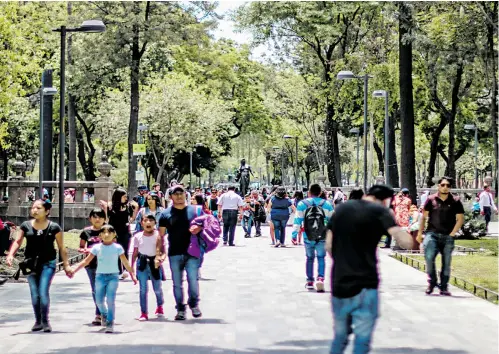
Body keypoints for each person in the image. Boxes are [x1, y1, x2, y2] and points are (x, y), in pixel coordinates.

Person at [325, 185, 413, 354]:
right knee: (362, 340)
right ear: (386, 200)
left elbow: (329, 245)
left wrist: (344, 261)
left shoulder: (342, 209)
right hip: (366, 283)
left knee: (340, 337)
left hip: (339, 281)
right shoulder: (380, 212)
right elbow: (405, 242)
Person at [6, 200, 72, 332]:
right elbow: (18, 241)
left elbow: (61, 247)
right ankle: (38, 321)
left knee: (43, 291)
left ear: (47, 211)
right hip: (30, 264)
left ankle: (45, 321)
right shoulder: (25, 226)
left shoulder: (54, 227)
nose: (35, 210)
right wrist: (10, 254)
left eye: (38, 208)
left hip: (48, 263)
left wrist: (66, 265)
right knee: (35, 294)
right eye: (33, 208)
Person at [72, 225, 137, 333]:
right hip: (100, 276)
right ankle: (104, 314)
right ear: (100, 235)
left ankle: (110, 322)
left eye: (109, 232)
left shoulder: (118, 248)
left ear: (114, 235)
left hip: (113, 276)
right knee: (99, 300)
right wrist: (74, 271)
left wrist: (132, 274)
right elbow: (86, 261)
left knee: (110, 300)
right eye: (104, 232)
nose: (107, 235)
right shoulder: (96, 248)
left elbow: (125, 262)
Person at [158, 185, 204, 320]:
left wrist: (199, 228)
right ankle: (180, 308)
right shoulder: (165, 214)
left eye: (181, 193)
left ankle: (194, 304)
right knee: (177, 283)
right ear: (171, 196)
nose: (178, 196)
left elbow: (208, 224)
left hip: (192, 252)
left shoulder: (195, 210)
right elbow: (160, 235)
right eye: (175, 194)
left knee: (193, 281)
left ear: (186, 195)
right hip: (175, 252)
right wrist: (160, 252)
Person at [417, 177, 464, 296]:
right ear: (438, 186)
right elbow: (423, 217)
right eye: (443, 185)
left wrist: (452, 234)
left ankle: (444, 287)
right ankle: (432, 282)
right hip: (432, 234)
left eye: (448, 185)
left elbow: (460, 219)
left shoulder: (456, 201)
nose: (445, 187)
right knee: (429, 258)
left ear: (450, 187)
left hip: (448, 236)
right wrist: (419, 233)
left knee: (446, 263)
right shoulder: (431, 199)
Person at [293, 184, 334, 292]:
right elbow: (332, 221)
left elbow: (297, 220)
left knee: (309, 258)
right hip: (322, 235)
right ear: (320, 193)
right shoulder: (327, 204)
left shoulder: (302, 204)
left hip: (308, 235)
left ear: (309, 192)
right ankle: (320, 278)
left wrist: (294, 235)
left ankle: (310, 280)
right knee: (321, 257)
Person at [100, 188, 138, 280]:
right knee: (115, 251)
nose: (126, 198)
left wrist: (135, 210)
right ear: (118, 197)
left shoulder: (128, 206)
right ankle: (118, 271)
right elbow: (106, 220)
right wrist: (105, 209)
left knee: (125, 250)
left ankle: (125, 270)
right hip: (114, 232)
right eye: (124, 196)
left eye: (126, 196)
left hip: (125, 231)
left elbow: (132, 217)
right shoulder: (111, 206)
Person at [132, 214, 164, 321]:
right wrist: (131, 266)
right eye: (145, 220)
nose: (148, 223)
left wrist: (160, 259)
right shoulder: (137, 236)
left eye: (151, 220)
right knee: (143, 289)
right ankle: (144, 313)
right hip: (142, 263)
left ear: (155, 223)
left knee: (157, 288)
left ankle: (160, 305)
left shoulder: (158, 235)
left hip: (154, 263)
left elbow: (163, 251)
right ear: (142, 223)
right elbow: (135, 252)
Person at [78, 208, 106, 326]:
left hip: (105, 264)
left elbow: (114, 244)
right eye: (94, 217)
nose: (97, 219)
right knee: (95, 290)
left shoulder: (107, 230)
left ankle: (102, 312)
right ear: (90, 219)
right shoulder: (86, 232)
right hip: (91, 264)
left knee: (103, 290)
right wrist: (86, 250)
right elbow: (80, 247)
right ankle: (99, 314)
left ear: (104, 219)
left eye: (100, 216)